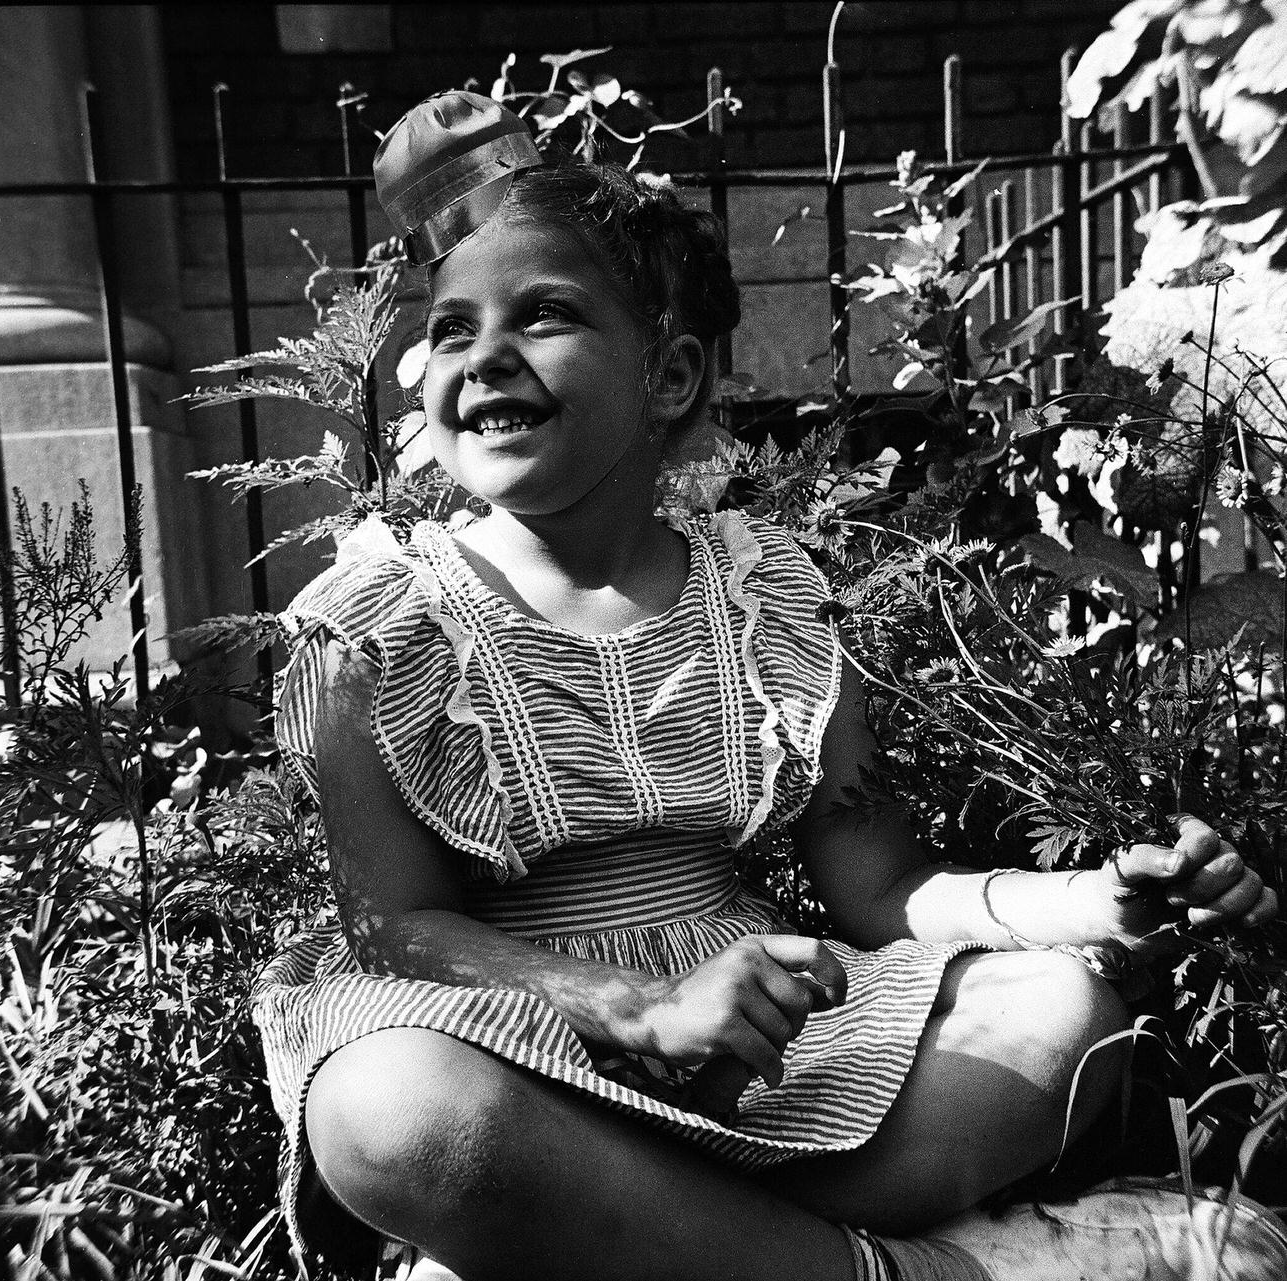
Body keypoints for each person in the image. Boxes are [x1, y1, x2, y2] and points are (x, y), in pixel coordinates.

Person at [252, 92, 1286, 1281]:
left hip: (765, 1049)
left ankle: (623, 1246)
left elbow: (885, 886)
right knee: (388, 1115)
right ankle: (918, 1269)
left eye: (542, 315)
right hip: (523, 1046)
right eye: (449, 329)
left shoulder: (768, 598)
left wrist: (1092, 907)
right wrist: (631, 1009)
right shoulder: (374, 626)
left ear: (671, 375)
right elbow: (393, 931)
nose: (481, 356)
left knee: (1059, 1013)